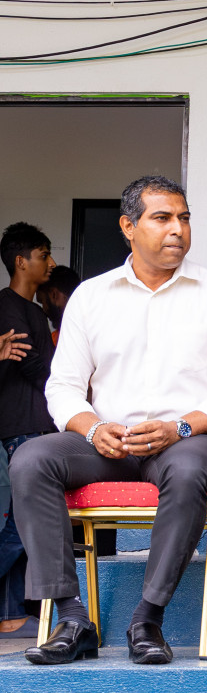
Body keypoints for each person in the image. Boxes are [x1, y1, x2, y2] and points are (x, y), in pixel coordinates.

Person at [14, 176, 207, 665]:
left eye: (183, 218)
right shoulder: (92, 296)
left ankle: (146, 619)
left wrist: (180, 427)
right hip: (107, 444)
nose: (178, 230)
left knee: (188, 470)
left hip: (189, 441)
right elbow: (62, 386)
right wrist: (91, 427)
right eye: (162, 218)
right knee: (30, 459)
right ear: (128, 226)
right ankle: (71, 617)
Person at [0, 223, 58, 633]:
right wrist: (65, 385)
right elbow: (31, 362)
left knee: (20, 523)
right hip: (21, 425)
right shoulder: (5, 306)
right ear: (22, 262)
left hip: (36, 425)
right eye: (43, 256)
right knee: (23, 524)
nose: (50, 264)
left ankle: (10, 617)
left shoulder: (35, 311)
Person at [35, 264, 79, 335]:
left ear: (54, 295)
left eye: (42, 302)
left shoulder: (58, 339)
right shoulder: (94, 324)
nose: (44, 310)